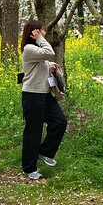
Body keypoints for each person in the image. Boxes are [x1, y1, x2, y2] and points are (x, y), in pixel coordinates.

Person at [20, 20, 68, 181]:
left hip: (45, 94)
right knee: (33, 131)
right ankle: (29, 167)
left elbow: (44, 60)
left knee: (60, 122)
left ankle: (45, 152)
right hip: (32, 95)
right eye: (41, 30)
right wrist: (40, 39)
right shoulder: (29, 48)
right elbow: (49, 53)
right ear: (34, 33)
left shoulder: (37, 49)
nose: (45, 33)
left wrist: (50, 66)